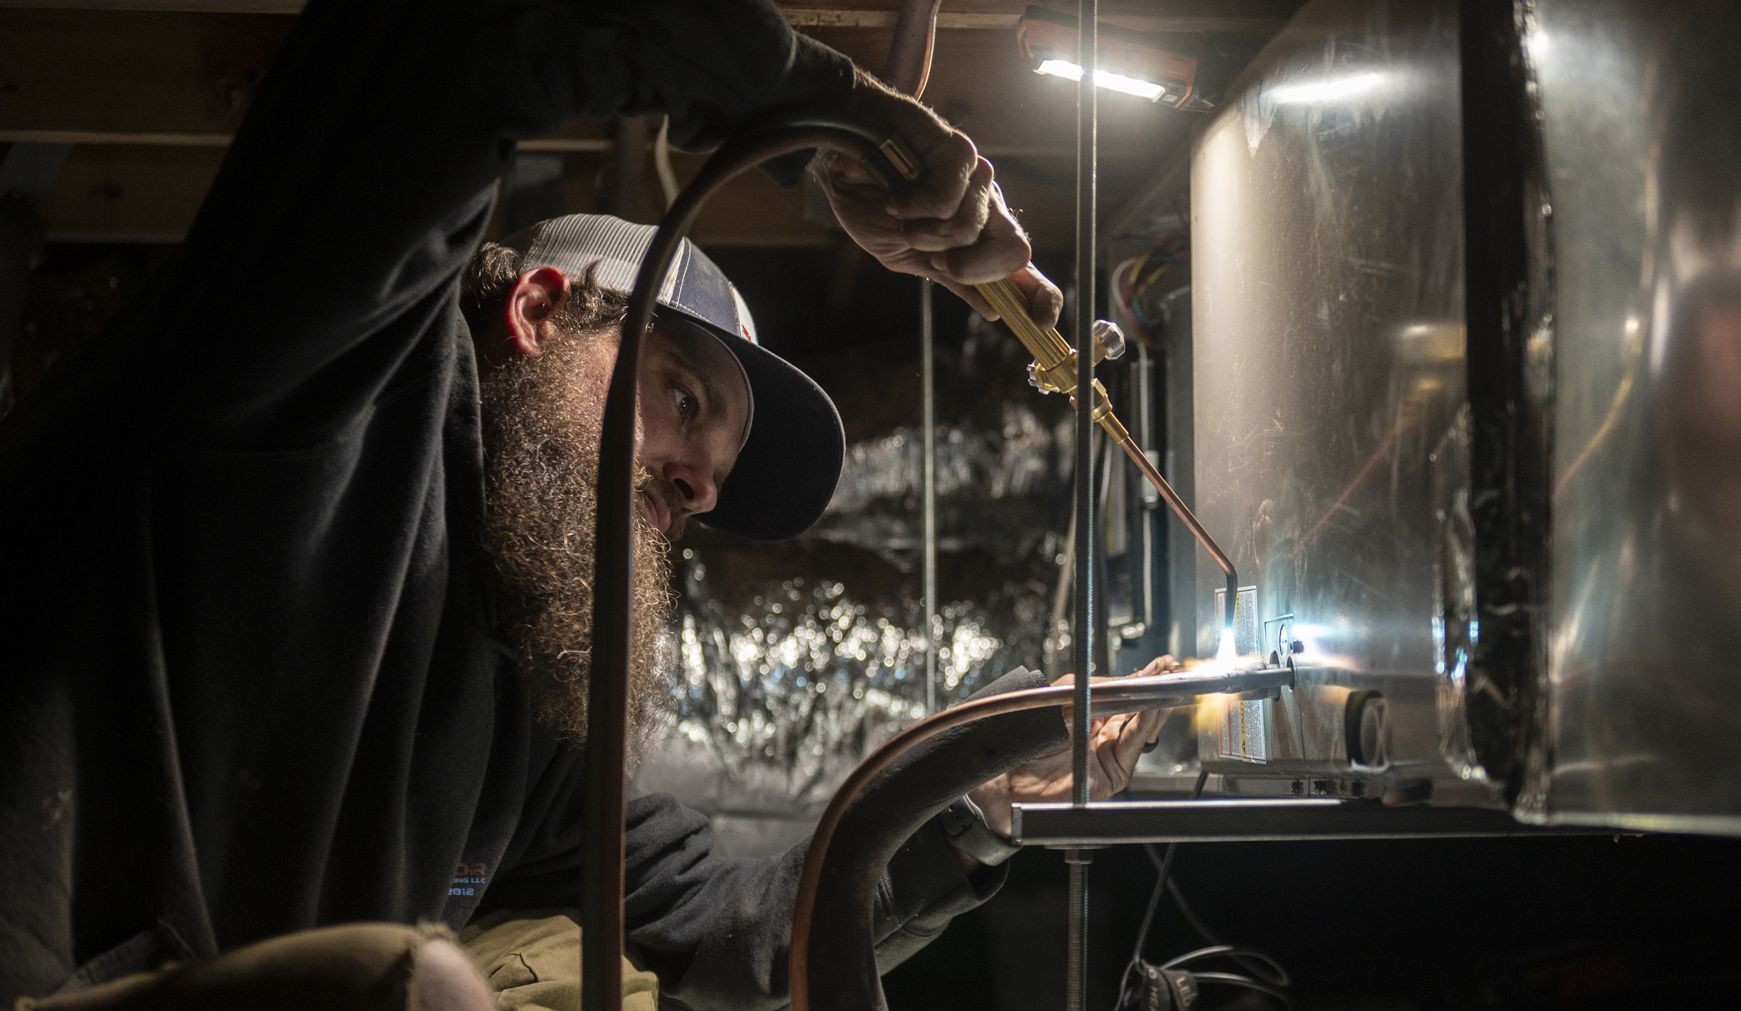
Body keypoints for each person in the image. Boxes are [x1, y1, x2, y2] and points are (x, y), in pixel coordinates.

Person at [0, 1, 1168, 1008]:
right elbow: (448, 38)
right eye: (682, 396)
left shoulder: (525, 696)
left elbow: (724, 928)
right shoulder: (326, 383)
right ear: (539, 313)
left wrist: (979, 803)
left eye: (716, 469)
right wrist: (826, 110)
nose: (699, 482)